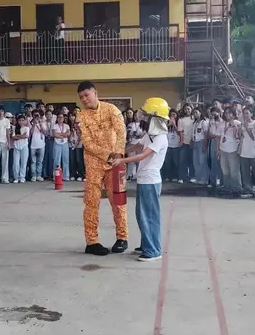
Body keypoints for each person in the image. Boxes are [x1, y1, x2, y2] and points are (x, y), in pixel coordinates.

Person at [110, 98, 170, 262]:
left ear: (155, 118)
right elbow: (137, 146)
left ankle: (153, 251)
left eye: (146, 116)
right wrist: (121, 151)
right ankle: (146, 245)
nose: (143, 119)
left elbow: (143, 155)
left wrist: (121, 160)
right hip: (144, 179)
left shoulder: (160, 138)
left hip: (150, 181)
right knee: (141, 214)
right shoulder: (150, 135)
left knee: (149, 216)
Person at [76, 81, 128, 256]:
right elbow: (88, 143)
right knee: (91, 202)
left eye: (86, 95)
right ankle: (92, 242)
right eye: (81, 97)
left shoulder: (111, 109)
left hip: (115, 163)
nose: (84, 99)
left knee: (118, 201)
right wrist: (108, 154)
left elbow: (121, 132)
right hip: (93, 164)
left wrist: (118, 154)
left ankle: (122, 237)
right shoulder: (81, 117)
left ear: (95, 93)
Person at [218, 108, 241, 196]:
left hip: (233, 149)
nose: (227, 114)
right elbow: (218, 136)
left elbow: (239, 136)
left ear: (233, 114)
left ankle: (236, 188)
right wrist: (218, 149)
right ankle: (226, 186)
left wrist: (233, 125)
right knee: (225, 169)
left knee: (234, 170)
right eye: (226, 113)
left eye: (229, 113)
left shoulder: (237, 123)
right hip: (223, 148)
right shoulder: (221, 123)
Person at [238, 106, 255, 197]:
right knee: (245, 172)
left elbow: (254, 138)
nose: (245, 115)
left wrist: (247, 127)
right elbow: (240, 137)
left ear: (251, 114)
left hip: (253, 151)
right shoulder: (242, 123)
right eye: (244, 113)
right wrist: (240, 130)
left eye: (247, 113)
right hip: (244, 151)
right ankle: (247, 189)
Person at [11, 115, 30, 183]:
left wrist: (18, 136)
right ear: (17, 121)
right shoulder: (15, 128)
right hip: (16, 146)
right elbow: (13, 137)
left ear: (25, 121)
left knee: (23, 162)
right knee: (16, 163)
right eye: (20, 120)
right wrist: (21, 136)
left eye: (22, 120)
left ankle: (22, 177)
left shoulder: (27, 128)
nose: (21, 122)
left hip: (24, 146)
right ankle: (16, 177)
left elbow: (26, 136)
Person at [52, 113, 71, 181]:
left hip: (65, 143)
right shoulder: (55, 126)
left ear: (63, 118)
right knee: (56, 160)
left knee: (66, 160)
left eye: (62, 117)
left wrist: (59, 134)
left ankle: (66, 176)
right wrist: (63, 134)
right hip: (57, 143)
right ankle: (56, 176)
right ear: (57, 118)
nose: (60, 118)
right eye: (59, 117)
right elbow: (54, 134)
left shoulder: (66, 125)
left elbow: (68, 134)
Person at [178, 104, 195, 181]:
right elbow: (180, 131)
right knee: (182, 161)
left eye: (188, 109)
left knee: (192, 160)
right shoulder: (181, 119)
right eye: (185, 109)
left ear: (191, 109)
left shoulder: (194, 118)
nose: (187, 110)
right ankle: (182, 177)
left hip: (193, 141)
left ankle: (192, 176)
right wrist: (181, 141)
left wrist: (192, 140)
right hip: (184, 142)